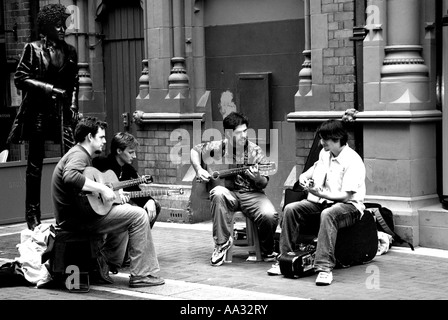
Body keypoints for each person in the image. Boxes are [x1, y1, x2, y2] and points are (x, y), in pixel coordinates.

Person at [51, 117, 164, 287]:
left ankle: (109, 263)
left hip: (80, 215)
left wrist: (113, 196)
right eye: (102, 137)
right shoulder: (78, 154)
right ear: (90, 137)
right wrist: (102, 189)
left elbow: (84, 193)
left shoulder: (79, 154)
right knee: (139, 215)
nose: (105, 141)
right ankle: (142, 274)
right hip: (77, 221)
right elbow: (70, 176)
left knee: (126, 209)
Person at [267, 119, 366, 286]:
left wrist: (320, 192)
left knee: (328, 214)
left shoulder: (352, 160)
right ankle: (284, 259)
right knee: (291, 208)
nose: (321, 143)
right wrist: (304, 179)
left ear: (336, 138)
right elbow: (311, 171)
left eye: (324, 139)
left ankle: (324, 268)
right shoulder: (324, 154)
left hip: (350, 207)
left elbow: (345, 196)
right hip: (322, 202)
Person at [7, 3, 79, 230]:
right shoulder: (33, 48)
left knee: (71, 161)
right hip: (38, 111)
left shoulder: (70, 51)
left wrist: (74, 104)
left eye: (63, 25)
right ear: (47, 26)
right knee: (35, 164)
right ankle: (33, 214)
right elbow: (20, 78)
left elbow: (74, 82)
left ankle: (70, 210)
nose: (61, 29)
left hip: (62, 113)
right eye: (57, 25)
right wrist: (50, 89)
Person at [191, 111, 278, 266]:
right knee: (217, 192)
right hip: (228, 194)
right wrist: (199, 169)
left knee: (270, 215)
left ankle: (267, 250)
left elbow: (264, 182)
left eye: (245, 131)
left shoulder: (255, 151)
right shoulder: (218, 147)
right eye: (239, 133)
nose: (244, 135)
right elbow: (195, 151)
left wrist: (256, 177)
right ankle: (222, 244)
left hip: (251, 194)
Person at [92, 131, 161, 272]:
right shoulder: (101, 164)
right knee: (131, 211)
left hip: (117, 208)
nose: (134, 156)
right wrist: (115, 193)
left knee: (154, 206)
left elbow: (135, 190)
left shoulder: (128, 169)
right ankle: (116, 257)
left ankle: (132, 250)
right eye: (131, 152)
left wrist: (149, 200)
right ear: (119, 151)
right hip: (101, 209)